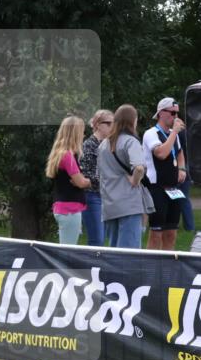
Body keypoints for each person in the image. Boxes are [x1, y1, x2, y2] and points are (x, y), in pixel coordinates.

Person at [98, 104, 152, 249]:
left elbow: (100, 174)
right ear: (132, 121)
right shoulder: (130, 141)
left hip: (109, 204)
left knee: (114, 250)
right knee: (129, 253)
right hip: (128, 203)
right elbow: (139, 167)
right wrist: (135, 180)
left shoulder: (103, 144)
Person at [142, 97, 187, 250]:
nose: (176, 117)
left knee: (171, 233)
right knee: (156, 234)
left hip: (173, 188)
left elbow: (179, 153)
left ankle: (167, 269)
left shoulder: (172, 135)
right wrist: (174, 132)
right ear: (161, 113)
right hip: (157, 188)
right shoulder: (151, 133)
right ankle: (150, 269)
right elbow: (161, 153)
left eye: (177, 114)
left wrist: (181, 169)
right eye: (172, 113)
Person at [46, 115, 91, 244]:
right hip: (70, 209)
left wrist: (82, 181)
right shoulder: (67, 156)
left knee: (67, 247)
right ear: (75, 134)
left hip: (64, 207)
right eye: (81, 132)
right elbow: (80, 182)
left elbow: (78, 181)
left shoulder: (61, 153)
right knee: (68, 250)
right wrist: (90, 181)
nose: (83, 136)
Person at [79, 109, 113, 246]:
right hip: (92, 195)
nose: (113, 127)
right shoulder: (88, 145)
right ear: (98, 124)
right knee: (97, 239)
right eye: (109, 123)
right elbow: (87, 174)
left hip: (107, 196)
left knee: (105, 238)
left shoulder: (109, 145)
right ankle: (93, 266)